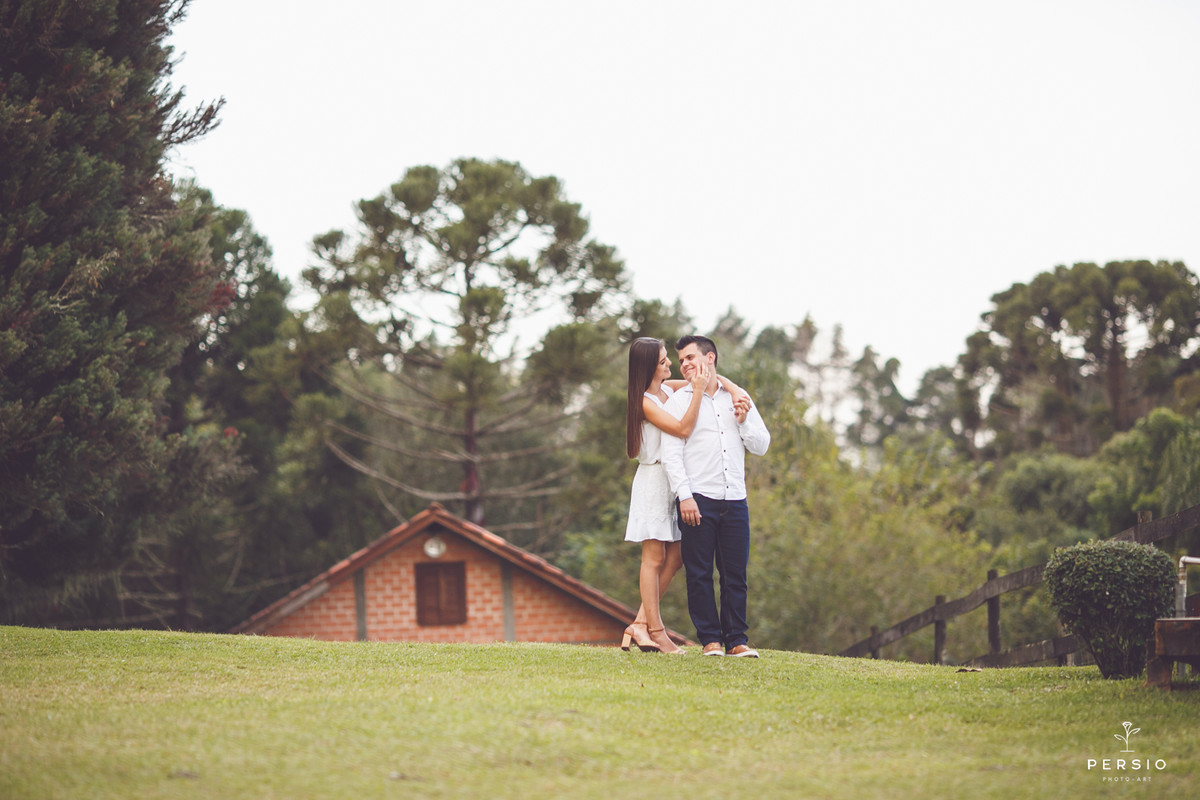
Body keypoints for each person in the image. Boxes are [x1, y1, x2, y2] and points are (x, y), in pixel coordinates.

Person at [622, 337, 750, 654]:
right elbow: (682, 429)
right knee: (653, 558)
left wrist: (733, 390)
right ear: (650, 367)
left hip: (675, 481)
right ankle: (655, 630)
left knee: (679, 554)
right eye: (664, 360)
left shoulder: (667, 390)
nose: (670, 364)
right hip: (654, 479)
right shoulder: (645, 401)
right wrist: (694, 393)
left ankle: (639, 624)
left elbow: (709, 377)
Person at [661, 335, 770, 657]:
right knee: (698, 574)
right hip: (698, 498)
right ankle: (710, 640)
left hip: (735, 499)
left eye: (691, 357)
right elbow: (672, 454)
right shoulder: (679, 401)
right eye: (681, 360)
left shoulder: (739, 398)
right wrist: (685, 496)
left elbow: (761, 446)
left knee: (735, 574)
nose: (685, 364)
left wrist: (744, 419)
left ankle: (737, 640)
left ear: (710, 358)